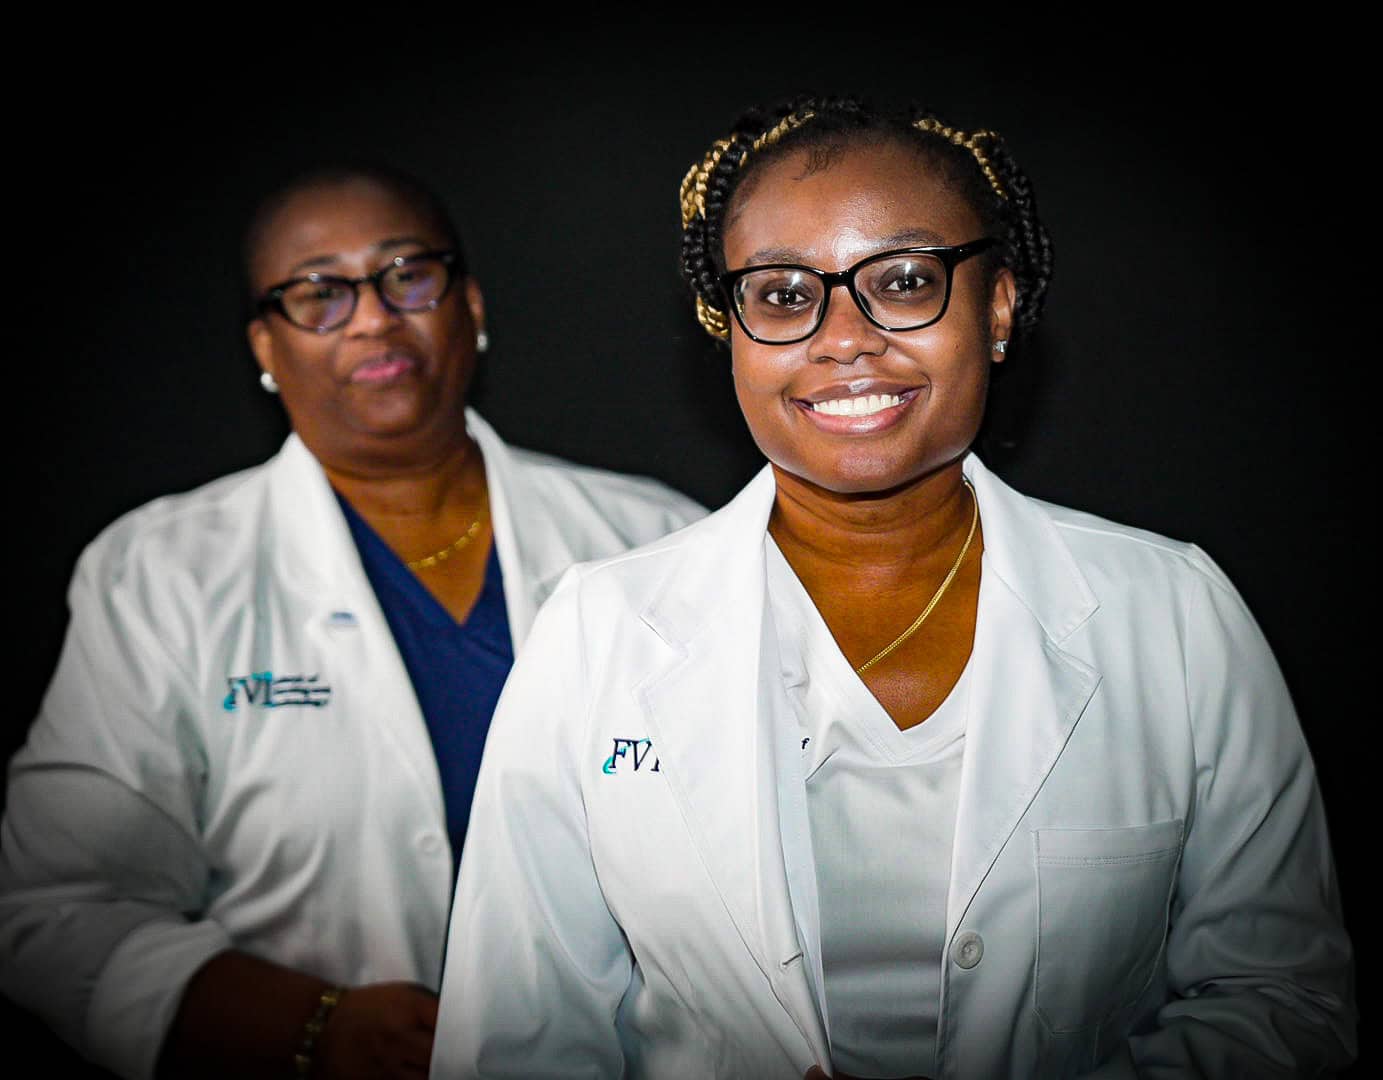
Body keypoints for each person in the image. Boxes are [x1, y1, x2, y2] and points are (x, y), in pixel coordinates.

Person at [429, 97, 1356, 1079]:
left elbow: (1284, 1001)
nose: (843, 339)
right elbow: (515, 1040)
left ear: (996, 305)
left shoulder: (1172, 614)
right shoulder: (597, 630)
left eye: (904, 282)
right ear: (730, 330)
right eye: (784, 295)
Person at [0, 163, 704, 1080]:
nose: (373, 316)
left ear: (472, 305)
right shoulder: (160, 573)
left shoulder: (655, 539)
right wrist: (317, 1026)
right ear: (264, 344)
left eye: (407, 274)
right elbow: (60, 908)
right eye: (318, 293)